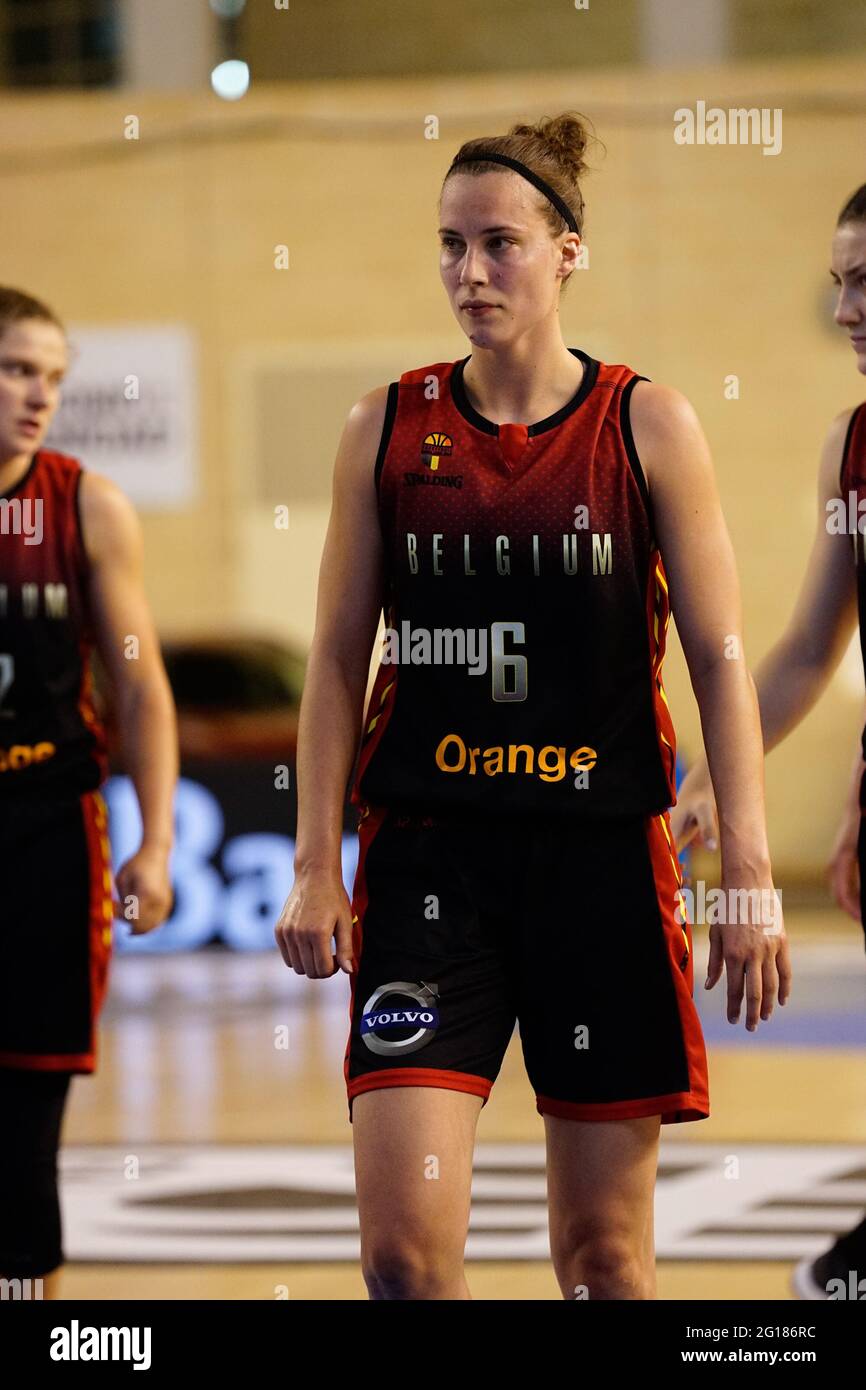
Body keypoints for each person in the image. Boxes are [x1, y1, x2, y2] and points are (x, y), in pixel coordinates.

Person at [274, 113, 790, 1301]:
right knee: (403, 1260)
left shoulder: (644, 423)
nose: (467, 272)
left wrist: (747, 877)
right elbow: (335, 664)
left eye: (498, 243)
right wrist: (315, 862)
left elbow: (718, 660)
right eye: (449, 245)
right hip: (424, 867)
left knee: (601, 1262)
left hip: (599, 862)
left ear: (568, 252)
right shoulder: (386, 425)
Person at [671, 184, 866, 1300]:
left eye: (864, 282)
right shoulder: (849, 448)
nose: (845, 309)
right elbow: (803, 647)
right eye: (837, 283)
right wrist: (714, 778)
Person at [0, 288, 176, 1298]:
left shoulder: (83, 505)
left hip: (44, 835)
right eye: (19, 369)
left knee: (24, 1124)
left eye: (55, 377)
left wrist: (152, 843)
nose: (41, 395)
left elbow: (141, 686)